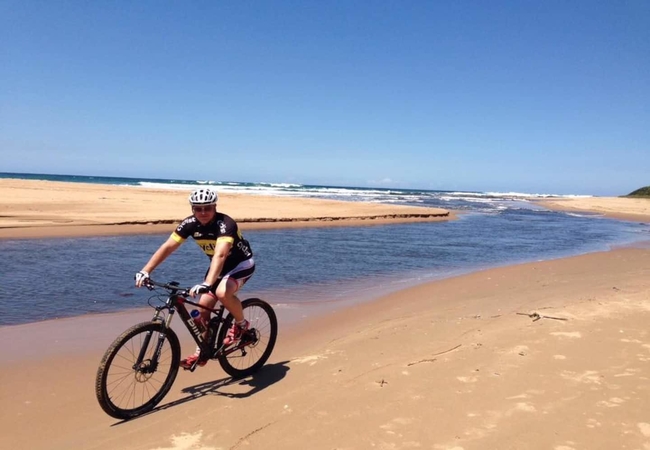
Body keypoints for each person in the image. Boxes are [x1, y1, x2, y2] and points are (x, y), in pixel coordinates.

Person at [135, 187, 255, 369]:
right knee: (202, 312)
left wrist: (207, 283)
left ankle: (241, 324)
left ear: (215, 207)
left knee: (222, 292)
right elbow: (168, 247)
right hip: (218, 269)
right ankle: (202, 353)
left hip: (241, 265)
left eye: (207, 208)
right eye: (198, 208)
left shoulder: (225, 223)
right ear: (192, 209)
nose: (203, 212)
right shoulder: (189, 224)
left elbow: (220, 255)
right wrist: (145, 271)